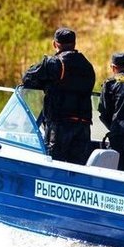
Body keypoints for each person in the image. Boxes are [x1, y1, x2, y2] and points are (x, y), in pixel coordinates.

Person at [21, 27, 96, 165]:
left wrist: (45, 84)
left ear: (55, 44)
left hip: (60, 124)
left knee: (54, 165)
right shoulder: (88, 66)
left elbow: (27, 78)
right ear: (74, 44)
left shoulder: (55, 63)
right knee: (77, 168)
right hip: (83, 126)